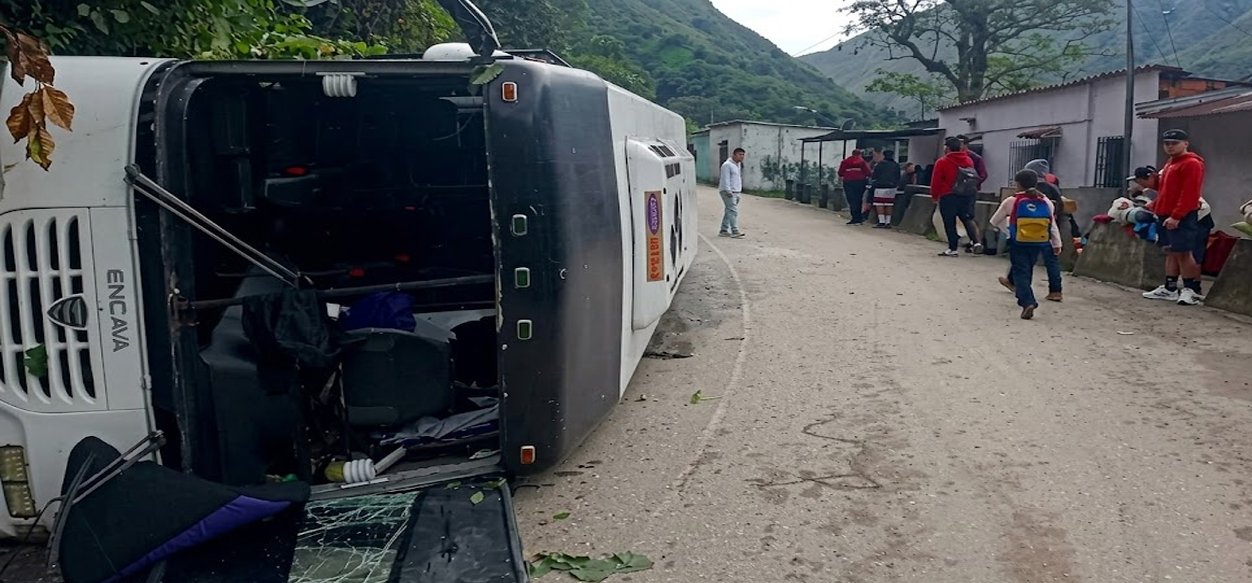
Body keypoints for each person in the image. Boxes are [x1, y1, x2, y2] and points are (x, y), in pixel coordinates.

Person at [1142, 130, 1206, 305]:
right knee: (1170, 251)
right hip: (1165, 214)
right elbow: (1166, 191)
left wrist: (1177, 216)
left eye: (1174, 143)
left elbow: (1190, 193)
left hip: (1182, 215)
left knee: (1184, 252)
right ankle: (1170, 288)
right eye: (1167, 143)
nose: (1170, 146)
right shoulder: (1171, 163)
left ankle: (1190, 290)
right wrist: (1155, 207)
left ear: (1185, 143)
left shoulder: (1192, 163)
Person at [991, 170, 1062, 320]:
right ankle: (1029, 295)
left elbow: (994, 221)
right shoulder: (1045, 201)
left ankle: (1027, 301)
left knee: (1021, 272)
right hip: (1039, 241)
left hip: (1019, 242)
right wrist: (1056, 243)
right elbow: (1052, 224)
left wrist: (1009, 231)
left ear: (1018, 184)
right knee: (1028, 268)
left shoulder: (1011, 201)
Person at [1131, 165, 1215, 267]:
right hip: (1183, 216)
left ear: (1152, 176)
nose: (1142, 186)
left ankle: (1191, 276)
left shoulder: (1168, 179)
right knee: (1175, 252)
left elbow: (1180, 198)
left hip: (1197, 215)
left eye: (1142, 182)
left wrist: (1155, 207)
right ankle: (1177, 276)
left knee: (1192, 254)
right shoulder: (1160, 183)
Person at [930, 136, 984, 256]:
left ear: (947, 148)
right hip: (966, 194)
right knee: (967, 218)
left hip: (948, 195)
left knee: (949, 222)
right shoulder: (968, 160)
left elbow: (936, 181)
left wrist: (934, 196)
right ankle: (976, 242)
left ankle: (953, 248)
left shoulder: (942, 161)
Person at [838, 149, 872, 225]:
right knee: (858, 199)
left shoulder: (845, 161)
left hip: (848, 182)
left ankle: (854, 217)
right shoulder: (861, 161)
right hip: (860, 182)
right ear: (860, 154)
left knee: (851, 200)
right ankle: (859, 218)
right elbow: (868, 172)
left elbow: (840, 172)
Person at [718, 148, 746, 238]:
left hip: (736, 191)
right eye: (740, 154)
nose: (742, 156)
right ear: (734, 155)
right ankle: (735, 231)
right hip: (728, 191)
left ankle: (723, 230)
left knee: (729, 211)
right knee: (733, 211)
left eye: (743, 155)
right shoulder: (727, 165)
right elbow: (725, 178)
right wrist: (728, 190)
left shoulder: (738, 165)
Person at [870, 149, 901, 228]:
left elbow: (874, 176)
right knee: (889, 204)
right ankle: (888, 222)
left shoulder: (879, 164)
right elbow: (898, 176)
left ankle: (881, 221)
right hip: (892, 187)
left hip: (880, 186)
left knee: (879, 204)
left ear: (884, 155)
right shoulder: (896, 165)